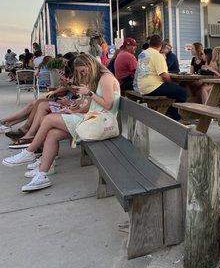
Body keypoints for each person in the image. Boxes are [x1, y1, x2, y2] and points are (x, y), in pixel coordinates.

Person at [3, 54, 121, 192]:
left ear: (91, 65)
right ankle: (42, 175)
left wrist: (89, 93)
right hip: (92, 119)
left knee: (48, 119)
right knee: (52, 134)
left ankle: (29, 151)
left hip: (102, 122)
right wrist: (73, 110)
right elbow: (90, 106)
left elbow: (108, 105)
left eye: (83, 71)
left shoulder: (106, 78)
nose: (83, 74)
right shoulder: (96, 79)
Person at [135, 35, 186, 120]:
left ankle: (169, 112)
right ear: (161, 45)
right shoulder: (158, 55)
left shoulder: (142, 54)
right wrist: (173, 83)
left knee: (173, 91)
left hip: (142, 87)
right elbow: (164, 76)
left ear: (150, 43)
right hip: (153, 87)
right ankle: (176, 118)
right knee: (182, 92)